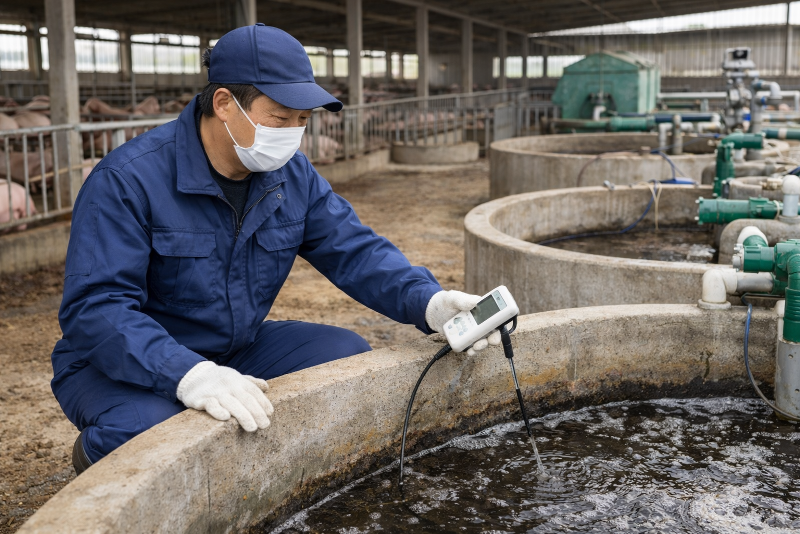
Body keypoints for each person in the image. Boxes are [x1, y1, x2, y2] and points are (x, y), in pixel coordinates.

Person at [51, 24, 501, 475]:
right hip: (116, 361)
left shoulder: (291, 175)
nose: (292, 134)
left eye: (303, 121)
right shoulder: (128, 180)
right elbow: (96, 307)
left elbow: (355, 250)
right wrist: (187, 373)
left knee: (346, 357)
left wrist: (430, 303)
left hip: (233, 348)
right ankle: (93, 456)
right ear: (225, 104)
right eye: (280, 118)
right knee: (157, 434)